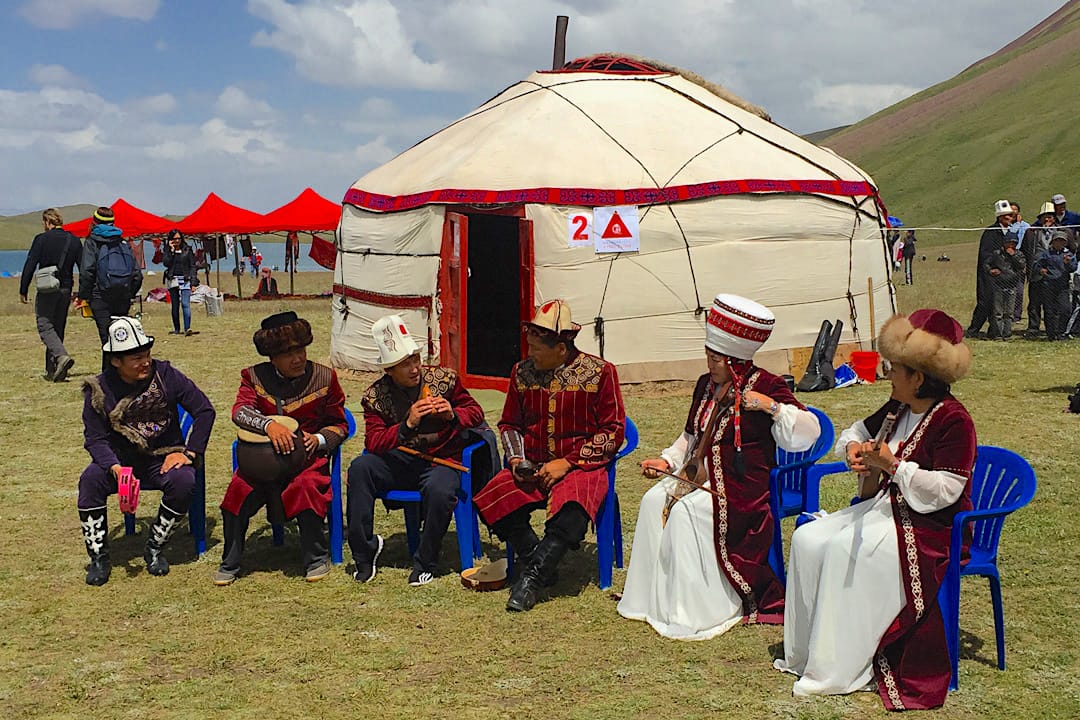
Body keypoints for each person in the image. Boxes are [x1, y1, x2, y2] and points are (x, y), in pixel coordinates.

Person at [775, 308, 976, 711]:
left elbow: (948, 490)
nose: (888, 375)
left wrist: (895, 468)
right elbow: (854, 432)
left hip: (928, 528)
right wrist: (852, 449)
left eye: (895, 369)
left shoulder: (954, 421)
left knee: (839, 550)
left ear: (918, 377)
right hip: (885, 511)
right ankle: (805, 654)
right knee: (808, 538)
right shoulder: (897, 407)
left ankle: (842, 666)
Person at [617, 294, 821, 638]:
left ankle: (699, 609)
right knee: (653, 501)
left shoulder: (767, 385)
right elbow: (689, 436)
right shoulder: (704, 385)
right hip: (700, 475)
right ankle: (649, 601)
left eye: (717, 358)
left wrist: (771, 407)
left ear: (735, 360)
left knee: (685, 514)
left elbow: (809, 432)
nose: (710, 362)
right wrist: (666, 460)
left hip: (742, 485)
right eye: (709, 355)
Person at [473, 300, 626, 612]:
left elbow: (613, 431)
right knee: (492, 500)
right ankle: (542, 563)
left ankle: (531, 579)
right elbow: (510, 424)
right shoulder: (522, 373)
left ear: (560, 348)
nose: (530, 354)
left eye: (536, 348)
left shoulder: (600, 373)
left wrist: (567, 462)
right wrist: (516, 460)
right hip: (534, 464)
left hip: (582, 466)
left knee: (572, 510)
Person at [347, 315, 488, 586]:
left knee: (439, 489)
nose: (414, 369)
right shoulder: (376, 397)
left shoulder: (443, 380)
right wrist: (407, 425)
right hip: (400, 462)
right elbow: (374, 443)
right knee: (359, 469)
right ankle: (364, 554)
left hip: (442, 461)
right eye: (405, 364)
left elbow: (475, 412)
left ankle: (426, 561)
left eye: (415, 360)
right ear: (389, 371)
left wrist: (452, 415)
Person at [77, 317, 216, 586]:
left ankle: (155, 547)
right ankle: (98, 557)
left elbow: (204, 410)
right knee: (90, 481)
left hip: (162, 456)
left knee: (184, 480)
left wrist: (188, 453)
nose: (146, 362)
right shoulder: (98, 390)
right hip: (119, 462)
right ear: (116, 361)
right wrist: (114, 467)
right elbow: (95, 439)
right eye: (137, 358)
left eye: (147, 354)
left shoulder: (166, 375)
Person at [215, 312, 349, 585]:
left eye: (300, 350)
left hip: (306, 460)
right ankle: (230, 561)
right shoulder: (254, 377)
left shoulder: (325, 378)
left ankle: (316, 556)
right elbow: (240, 411)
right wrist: (268, 426)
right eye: (288, 353)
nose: (298, 358)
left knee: (307, 485)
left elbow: (340, 425)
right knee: (237, 492)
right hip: (261, 462)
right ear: (272, 357)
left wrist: (320, 440)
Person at [19, 208, 82, 381]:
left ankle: (61, 356)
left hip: (47, 288)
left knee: (44, 325)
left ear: (47, 222)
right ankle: (53, 369)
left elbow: (30, 264)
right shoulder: (74, 241)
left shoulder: (41, 239)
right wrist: (83, 292)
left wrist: (23, 289)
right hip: (66, 288)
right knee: (58, 326)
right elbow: (83, 268)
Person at [78, 207, 143, 372]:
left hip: (100, 296)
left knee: (107, 340)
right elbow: (137, 274)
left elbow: (87, 271)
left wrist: (84, 295)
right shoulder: (122, 241)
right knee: (121, 338)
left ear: (94, 222)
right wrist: (129, 293)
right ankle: (124, 376)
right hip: (122, 295)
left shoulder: (92, 241)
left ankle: (108, 380)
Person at [965, 200, 1014, 338]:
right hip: (990, 273)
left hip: (1004, 274)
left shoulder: (1009, 233)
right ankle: (974, 329)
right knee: (985, 301)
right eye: (1006, 216)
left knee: (999, 303)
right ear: (1000, 217)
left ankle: (995, 330)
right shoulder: (991, 232)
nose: (1010, 218)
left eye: (1010, 216)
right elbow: (985, 253)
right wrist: (990, 268)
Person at [1033, 231, 1077, 341]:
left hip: (1063, 286)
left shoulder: (1068, 255)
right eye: (1057, 240)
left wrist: (1068, 263)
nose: (1060, 243)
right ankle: (1051, 334)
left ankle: (1061, 332)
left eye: (1062, 241)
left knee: (1065, 309)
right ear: (1053, 241)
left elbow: (1073, 268)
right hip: (1048, 285)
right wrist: (1040, 270)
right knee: (1049, 310)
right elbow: (1037, 266)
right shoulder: (1046, 254)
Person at [1024, 203, 1057, 337]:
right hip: (1036, 273)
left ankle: (1052, 328)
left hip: (1054, 274)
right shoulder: (1032, 232)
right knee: (1034, 303)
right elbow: (1025, 250)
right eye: (1044, 217)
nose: (1047, 220)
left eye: (1049, 217)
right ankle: (1033, 328)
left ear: (1054, 218)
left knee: (1052, 303)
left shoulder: (1063, 231)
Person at [984, 235, 1025, 340]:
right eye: (1009, 242)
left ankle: (1007, 333)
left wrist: (1013, 256)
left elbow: (1021, 265)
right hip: (998, 284)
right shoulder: (997, 254)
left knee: (1009, 312)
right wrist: (990, 271)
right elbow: (986, 264)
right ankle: (997, 334)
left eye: (1014, 243)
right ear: (1005, 242)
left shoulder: (1019, 254)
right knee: (998, 311)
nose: (1011, 245)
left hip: (1012, 285)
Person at [161, 229, 200, 336]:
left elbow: (193, 266)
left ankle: (187, 328)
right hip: (172, 279)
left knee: (185, 304)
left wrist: (193, 282)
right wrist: (172, 251)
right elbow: (166, 263)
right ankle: (177, 329)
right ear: (170, 240)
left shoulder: (187, 250)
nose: (177, 240)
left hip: (185, 279)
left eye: (179, 238)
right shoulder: (168, 251)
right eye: (174, 239)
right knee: (175, 305)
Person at [1008, 203, 1030, 322]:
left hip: (1021, 257)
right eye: (1011, 210)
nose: (1013, 212)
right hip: (1007, 258)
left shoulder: (1026, 226)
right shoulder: (1006, 226)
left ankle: (1016, 315)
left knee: (1019, 290)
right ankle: (1006, 314)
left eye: (1015, 210)